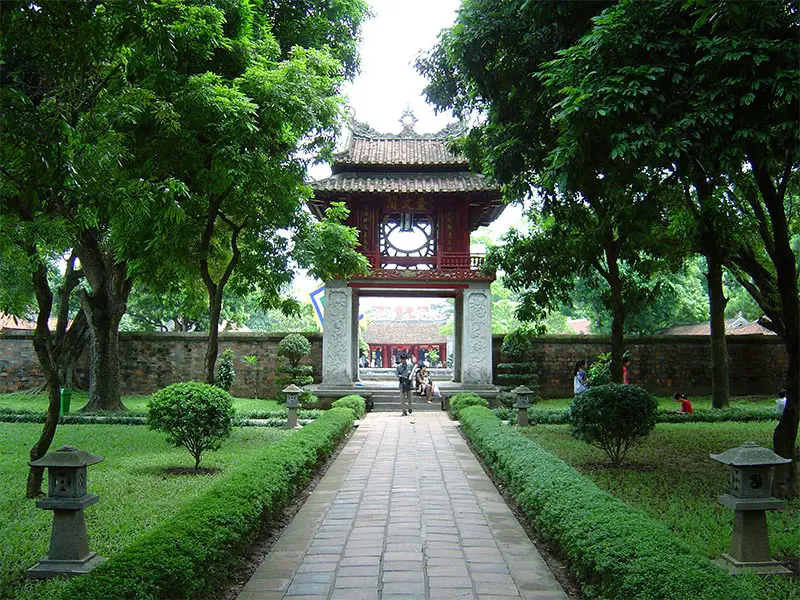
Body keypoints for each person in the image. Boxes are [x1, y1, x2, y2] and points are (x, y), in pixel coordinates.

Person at [396, 351, 413, 416]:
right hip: (402, 383)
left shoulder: (410, 365)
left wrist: (409, 376)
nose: (403, 360)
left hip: (409, 383)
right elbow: (397, 374)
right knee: (402, 399)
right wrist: (402, 376)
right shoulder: (398, 366)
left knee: (410, 398)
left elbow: (412, 373)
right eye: (402, 359)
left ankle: (410, 407)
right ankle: (404, 411)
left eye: (404, 359)